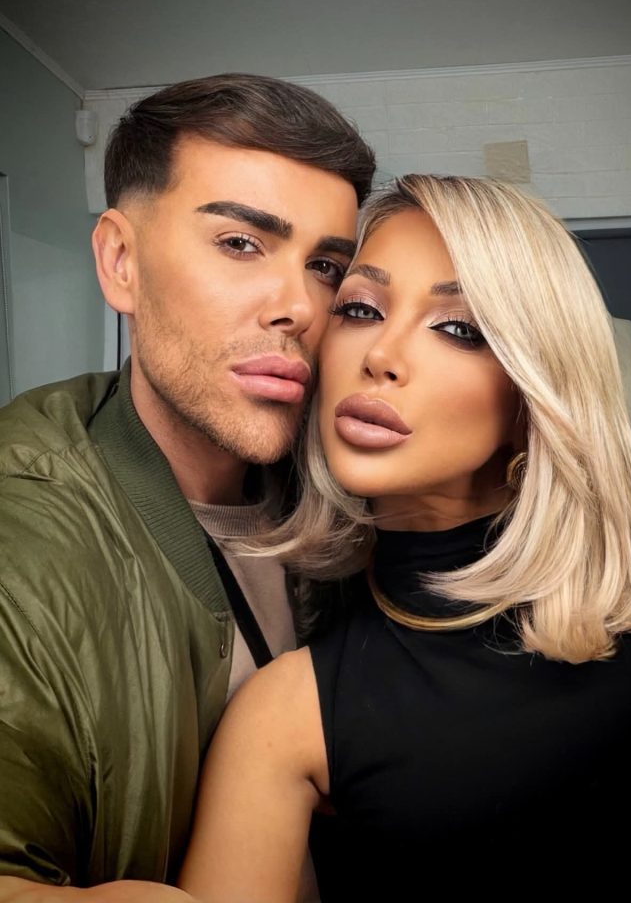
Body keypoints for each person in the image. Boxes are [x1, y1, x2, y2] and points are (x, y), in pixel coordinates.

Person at [178, 175, 631, 902]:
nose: (381, 354)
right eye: (360, 310)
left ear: (533, 385)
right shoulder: (286, 716)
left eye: (459, 329)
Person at [0, 73, 375, 898]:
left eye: (325, 266)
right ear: (121, 261)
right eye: (240, 243)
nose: (298, 308)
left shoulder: (346, 487)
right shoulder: (22, 531)